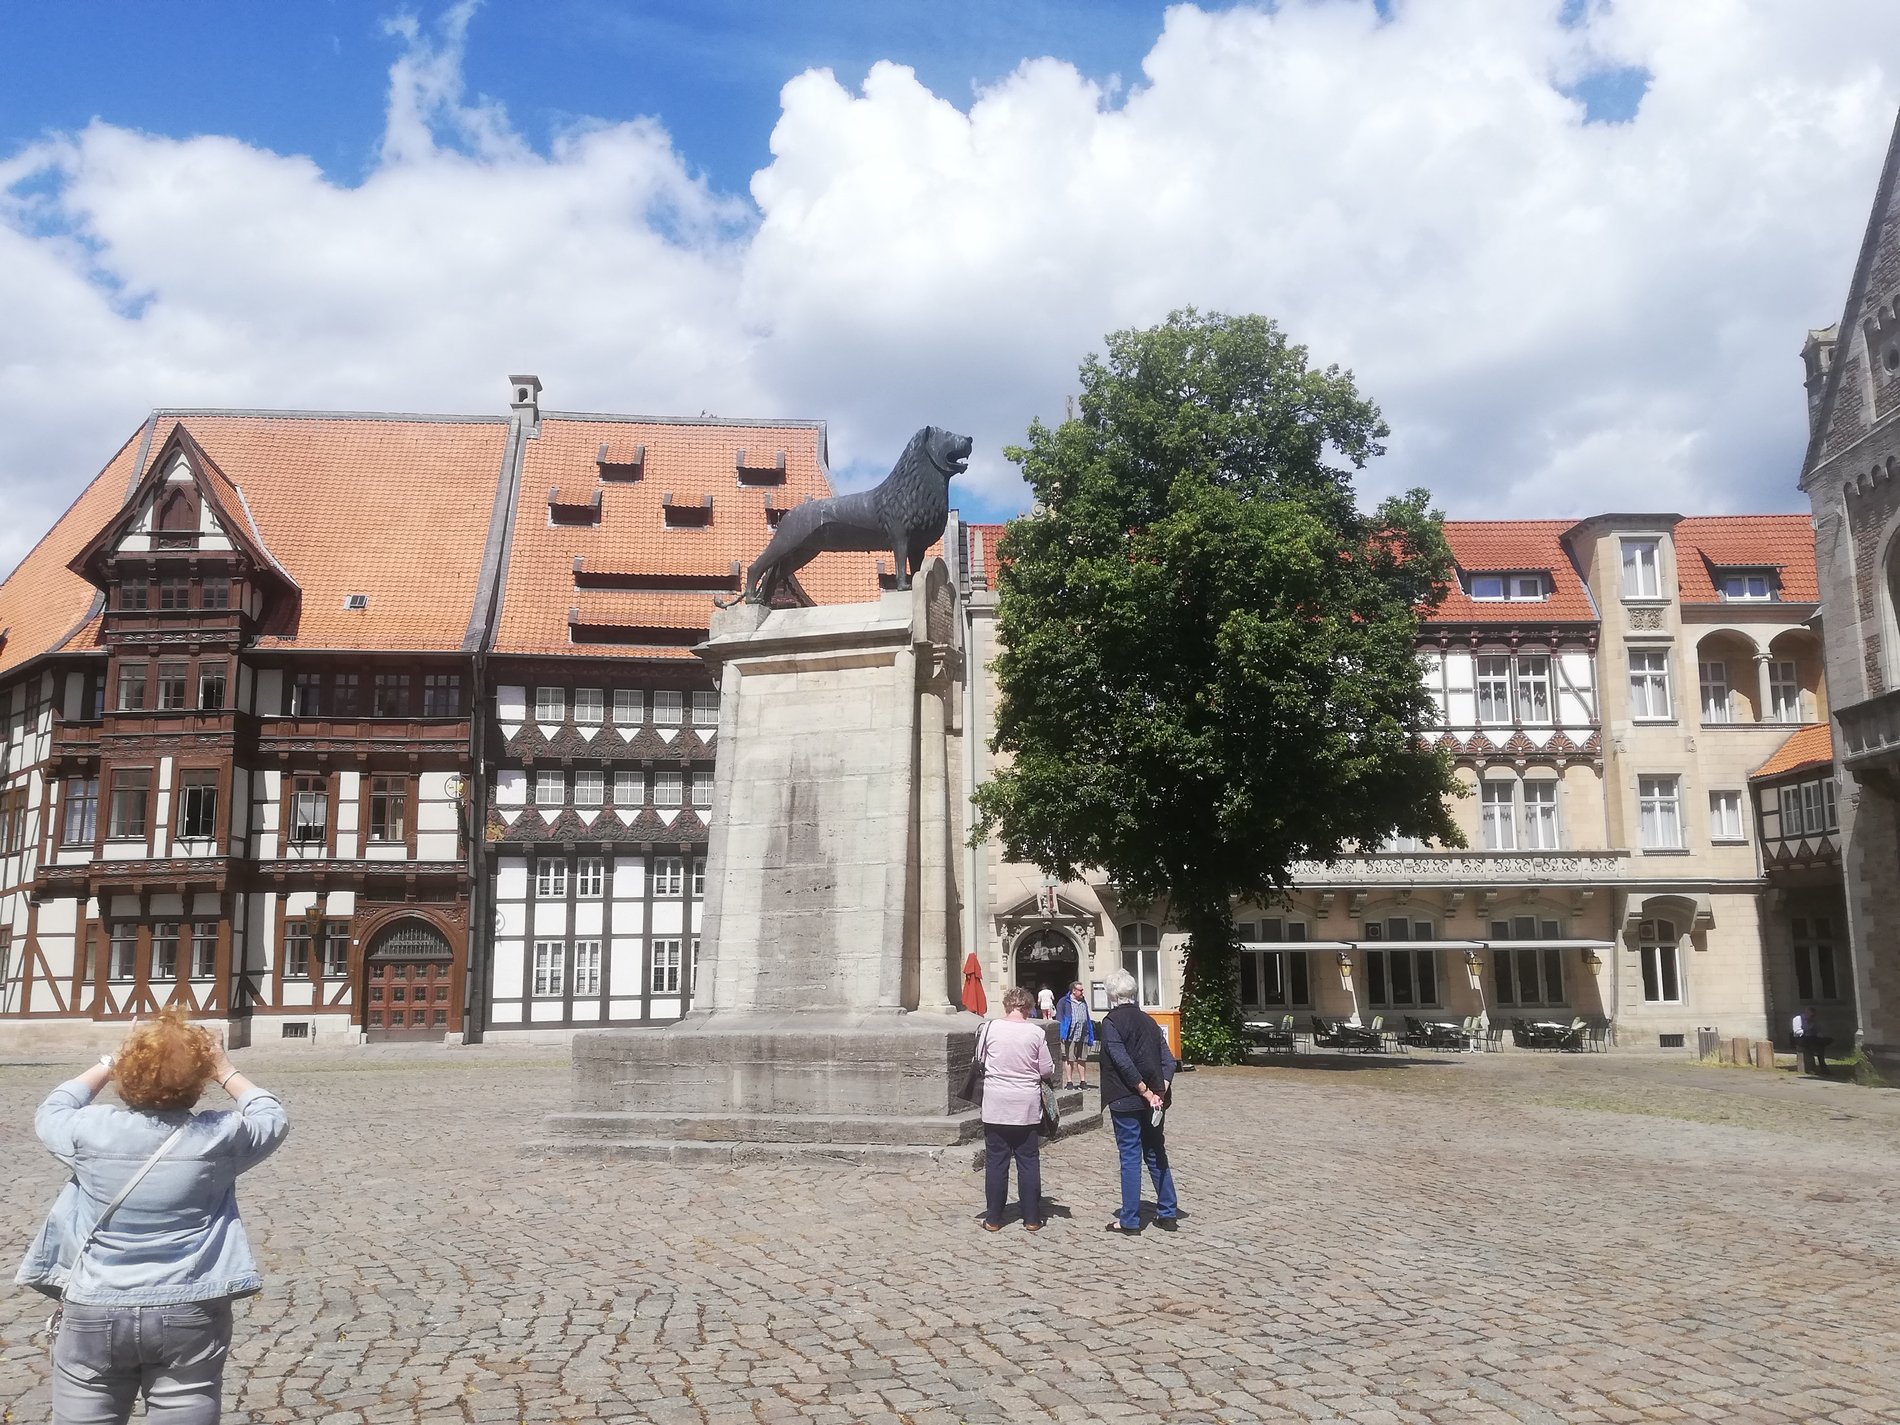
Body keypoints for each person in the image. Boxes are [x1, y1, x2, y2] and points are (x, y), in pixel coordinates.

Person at [18, 1008, 289, 1424]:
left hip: (95, 1303)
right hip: (190, 1306)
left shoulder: (89, 1130)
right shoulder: (218, 1136)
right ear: (197, 1083)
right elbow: (271, 1115)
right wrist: (223, 1067)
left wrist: (111, 1061)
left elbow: (54, 1106)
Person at [1098, 970, 1178, 1235]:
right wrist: (1160, 1090)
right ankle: (1167, 1212)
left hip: (1127, 1097)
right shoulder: (1149, 1021)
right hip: (1154, 1098)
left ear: (1111, 995)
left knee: (1131, 1156)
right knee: (1156, 1152)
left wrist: (1146, 1091)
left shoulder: (1111, 1022)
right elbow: (1169, 1060)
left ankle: (1130, 1219)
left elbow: (1121, 1060)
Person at [976, 985, 1055, 1232]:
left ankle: (993, 1218)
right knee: (1028, 1160)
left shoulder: (989, 1028)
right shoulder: (1035, 1033)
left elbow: (979, 1060)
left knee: (996, 1161)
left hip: (996, 1102)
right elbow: (1047, 1069)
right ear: (1029, 1008)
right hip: (1026, 1104)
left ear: (1006, 1005)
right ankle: (1031, 1217)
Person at [1056, 981, 1095, 1089]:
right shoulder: (1064, 1002)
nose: (1082, 992)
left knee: (1082, 1058)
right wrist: (1062, 1033)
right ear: (1074, 991)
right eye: (1080, 990)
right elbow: (1059, 1018)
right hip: (1070, 1034)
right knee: (1069, 1058)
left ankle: (1083, 1081)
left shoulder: (1083, 1001)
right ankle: (1069, 1081)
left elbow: (1086, 1016)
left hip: (1083, 1034)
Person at [1795, 1005, 1832, 1077]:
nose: (1812, 1017)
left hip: (1811, 1038)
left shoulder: (1813, 1021)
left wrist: (1819, 1033)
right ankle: (1813, 1067)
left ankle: (1822, 1065)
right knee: (1812, 1046)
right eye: (1811, 1015)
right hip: (1801, 1038)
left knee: (1822, 1044)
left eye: (1813, 1016)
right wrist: (1807, 1029)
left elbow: (1818, 1030)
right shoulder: (1798, 1019)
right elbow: (1797, 1032)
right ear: (1806, 1013)